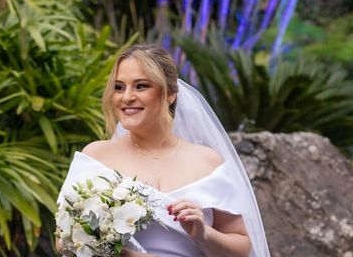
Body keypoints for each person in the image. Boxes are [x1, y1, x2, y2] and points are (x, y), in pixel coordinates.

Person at [57, 45, 270, 257]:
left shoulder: (208, 162)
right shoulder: (96, 156)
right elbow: (63, 242)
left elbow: (241, 249)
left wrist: (203, 234)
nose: (127, 97)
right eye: (119, 87)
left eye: (141, 86)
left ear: (170, 94)